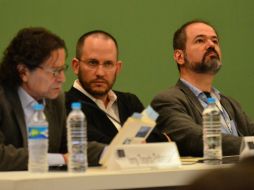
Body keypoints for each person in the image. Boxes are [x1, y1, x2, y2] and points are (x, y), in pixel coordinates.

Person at [0, 27, 104, 171]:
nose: (62, 79)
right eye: (55, 71)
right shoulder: (3, 99)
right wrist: (59, 159)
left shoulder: (55, 99)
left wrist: (113, 151)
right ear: (23, 72)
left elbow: (71, 147)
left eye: (62, 69)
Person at [151, 20, 254, 157]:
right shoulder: (167, 101)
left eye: (215, 41)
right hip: (205, 177)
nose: (211, 45)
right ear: (179, 56)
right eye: (200, 40)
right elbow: (196, 139)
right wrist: (249, 146)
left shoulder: (229, 103)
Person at [66, 30, 164, 145]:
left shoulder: (130, 101)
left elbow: (158, 139)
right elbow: (94, 145)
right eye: (93, 63)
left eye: (108, 64)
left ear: (117, 68)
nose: (100, 73)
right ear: (76, 66)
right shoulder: (65, 106)